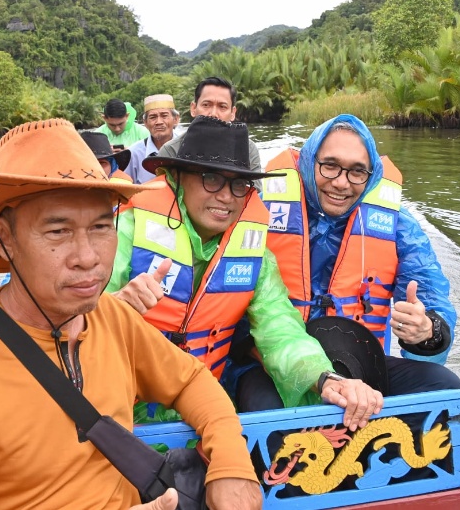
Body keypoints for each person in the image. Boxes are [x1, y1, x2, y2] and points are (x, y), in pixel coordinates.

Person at [0, 118, 262, 510]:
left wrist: (231, 463)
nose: (88, 258)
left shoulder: (112, 319)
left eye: (102, 226)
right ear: (2, 237)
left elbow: (191, 382)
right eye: (58, 232)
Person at [107, 115, 382, 428]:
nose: (226, 196)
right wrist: (112, 307)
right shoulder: (123, 232)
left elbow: (279, 329)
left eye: (239, 184)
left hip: (198, 409)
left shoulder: (257, 257)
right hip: (115, 410)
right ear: (176, 177)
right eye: (212, 178)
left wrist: (327, 379)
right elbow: (68, 321)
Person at [249, 113, 460, 409]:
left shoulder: (398, 225)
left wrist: (427, 331)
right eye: (330, 166)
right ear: (309, 163)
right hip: (274, 364)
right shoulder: (260, 213)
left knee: (443, 385)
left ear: (370, 175)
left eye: (357, 172)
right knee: (262, 407)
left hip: (359, 363)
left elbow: (431, 298)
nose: (341, 183)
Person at [158, 77, 262, 190]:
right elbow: (164, 199)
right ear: (193, 108)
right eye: (206, 105)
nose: (213, 114)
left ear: (232, 113)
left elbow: (254, 195)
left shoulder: (248, 149)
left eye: (222, 107)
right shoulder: (171, 151)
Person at [126, 93, 181, 184]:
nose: (159, 122)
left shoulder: (186, 146)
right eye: (153, 117)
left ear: (175, 119)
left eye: (164, 116)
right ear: (145, 123)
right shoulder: (133, 153)